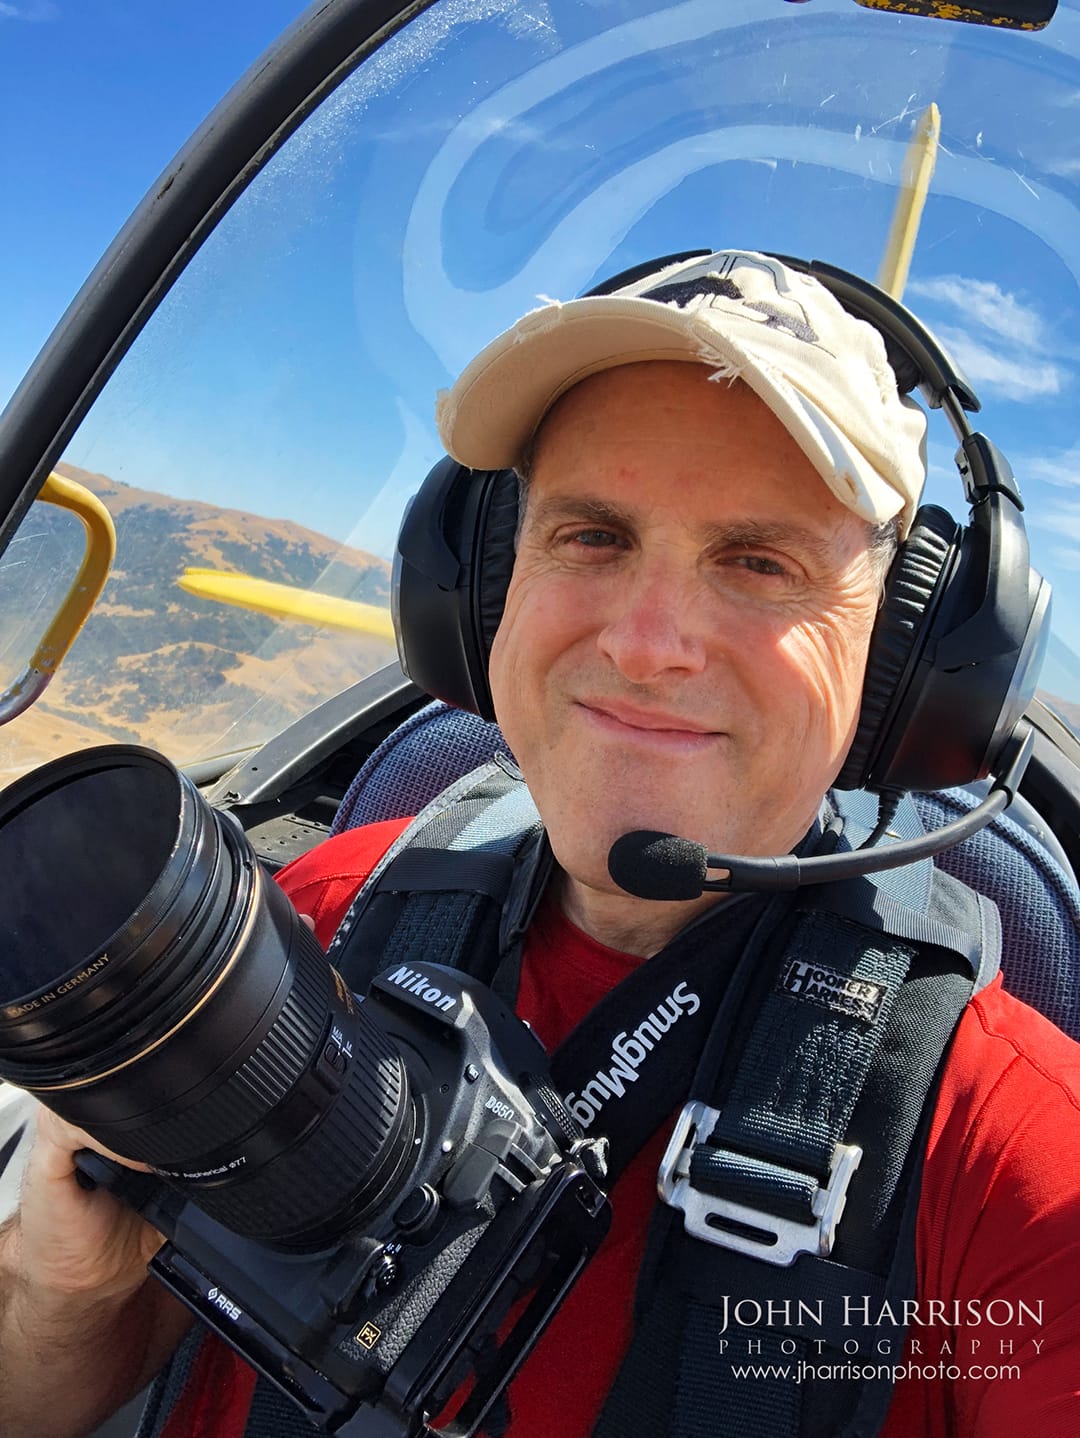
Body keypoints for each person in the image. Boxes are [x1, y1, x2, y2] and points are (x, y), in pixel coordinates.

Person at [2, 250, 1078, 1438]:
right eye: (593, 535)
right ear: (482, 592)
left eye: (760, 562)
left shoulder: (1013, 1154)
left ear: (901, 662)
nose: (646, 642)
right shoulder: (312, 925)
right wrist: (66, 1295)